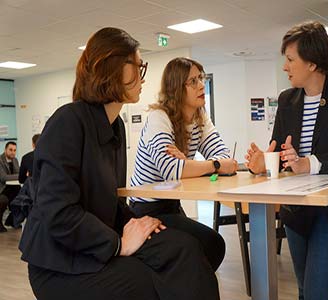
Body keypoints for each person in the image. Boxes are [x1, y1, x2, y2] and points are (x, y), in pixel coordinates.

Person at [19, 27, 220, 300]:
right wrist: (118, 244)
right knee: (147, 283)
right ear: (111, 68)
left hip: (96, 241)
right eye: (137, 65)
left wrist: (141, 222)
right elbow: (58, 213)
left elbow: (111, 203)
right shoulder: (68, 121)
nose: (142, 74)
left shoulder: (115, 126)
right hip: (59, 263)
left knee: (190, 246)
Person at [245, 21, 328, 300]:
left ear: (313, 63)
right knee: (305, 291)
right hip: (296, 212)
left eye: (291, 59)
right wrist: (263, 163)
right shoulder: (287, 100)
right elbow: (281, 154)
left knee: (317, 293)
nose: (285, 66)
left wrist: (311, 163)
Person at [129, 57, 237, 271]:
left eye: (201, 78)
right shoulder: (159, 118)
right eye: (193, 81)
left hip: (171, 205)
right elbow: (172, 171)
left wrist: (188, 164)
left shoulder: (199, 116)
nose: (201, 85)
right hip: (146, 209)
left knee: (210, 246)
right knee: (211, 245)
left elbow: (227, 161)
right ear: (177, 88)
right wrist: (211, 166)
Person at [0, 141, 20, 232]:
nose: (13, 152)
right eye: (10, 150)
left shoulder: (15, 160)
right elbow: (4, 177)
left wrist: (20, 175)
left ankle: (11, 220)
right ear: (5, 150)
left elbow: (19, 173)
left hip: (12, 188)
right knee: (4, 199)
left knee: (22, 196)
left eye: (15, 150)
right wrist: (20, 176)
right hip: (2, 189)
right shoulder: (0, 161)